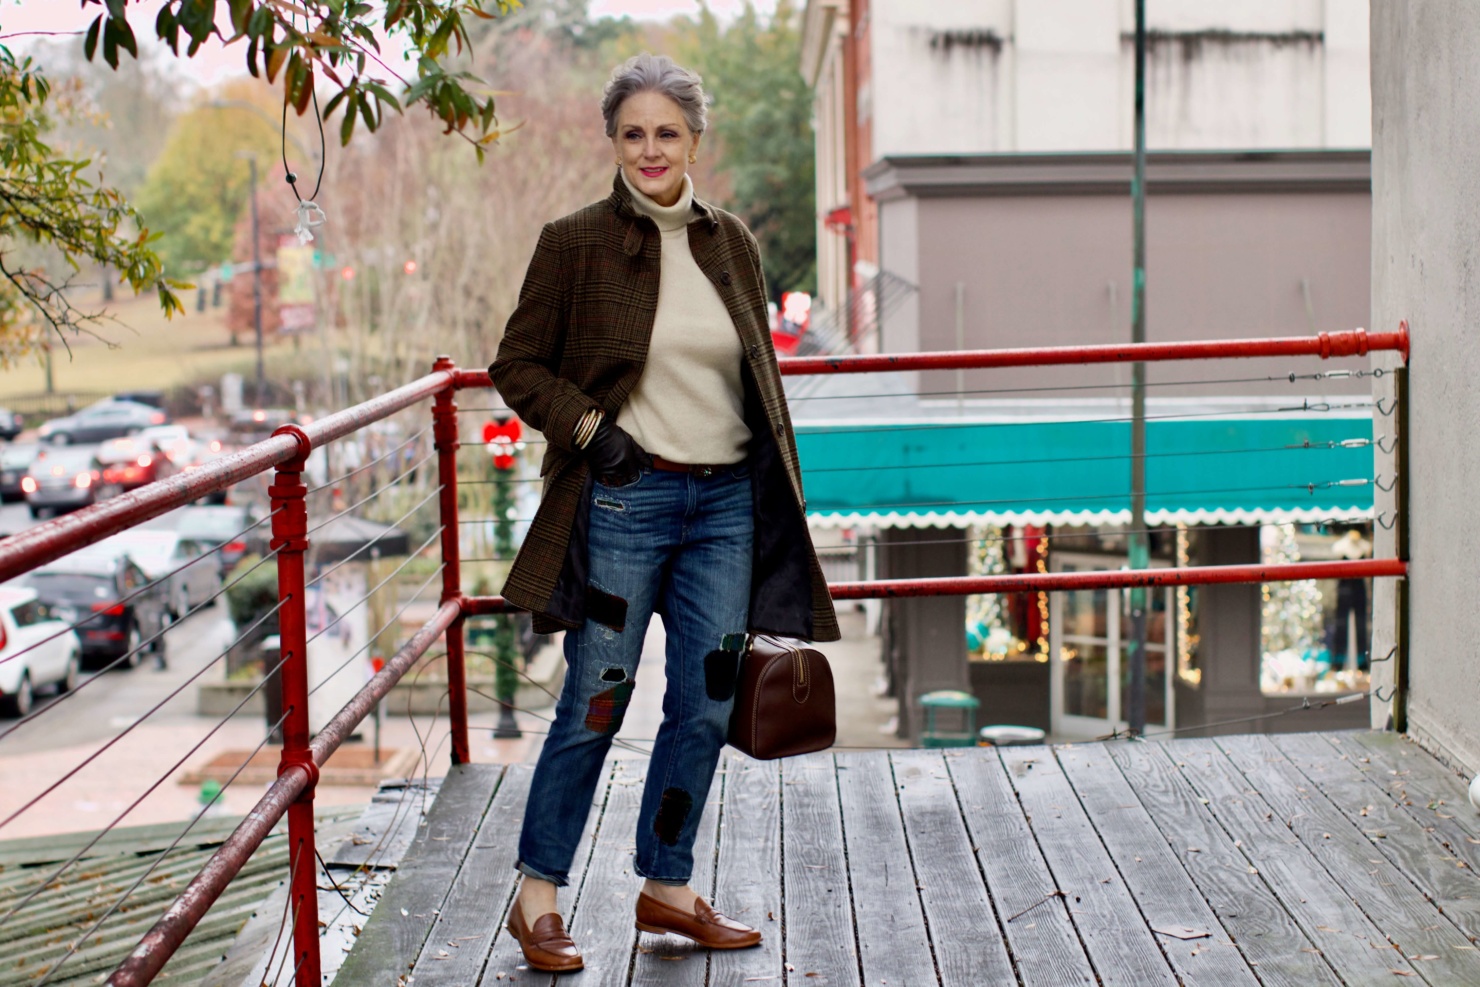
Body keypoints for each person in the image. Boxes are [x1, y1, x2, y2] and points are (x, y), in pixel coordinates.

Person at [488, 53, 840, 974]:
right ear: (613, 140)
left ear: (695, 141)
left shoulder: (731, 243)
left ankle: (667, 887)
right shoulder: (573, 243)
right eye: (633, 132)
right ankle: (537, 898)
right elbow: (517, 365)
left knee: (705, 705)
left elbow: (754, 377)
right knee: (597, 699)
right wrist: (595, 431)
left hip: (725, 506)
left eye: (667, 133)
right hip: (625, 504)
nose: (650, 149)